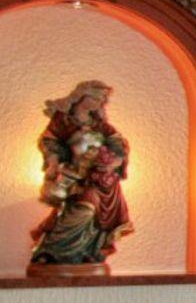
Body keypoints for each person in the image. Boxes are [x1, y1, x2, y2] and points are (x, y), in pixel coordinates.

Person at [28, 80, 134, 268]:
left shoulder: (101, 125)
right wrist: (53, 162)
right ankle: (52, 251)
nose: (100, 103)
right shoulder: (63, 120)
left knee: (92, 213)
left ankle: (88, 251)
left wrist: (113, 163)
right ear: (82, 97)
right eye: (97, 98)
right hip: (73, 176)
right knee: (78, 210)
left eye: (102, 100)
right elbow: (50, 142)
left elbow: (119, 146)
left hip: (99, 180)